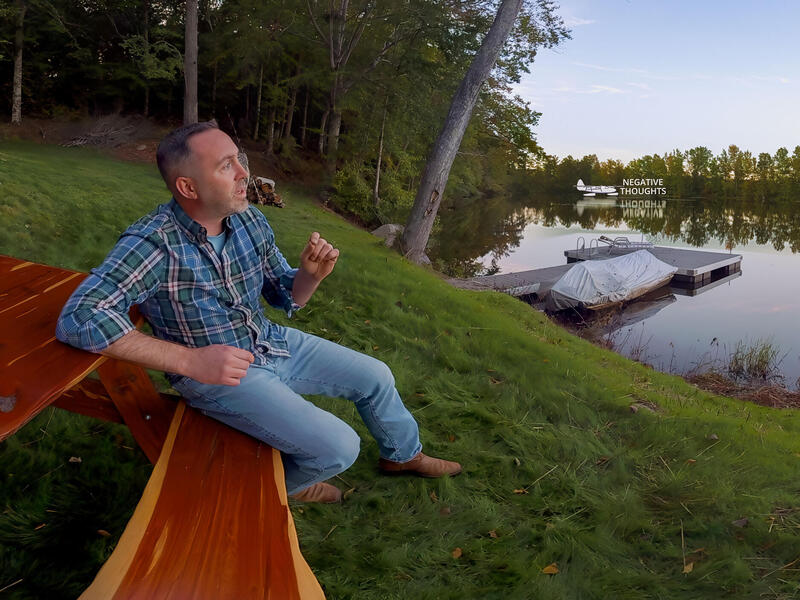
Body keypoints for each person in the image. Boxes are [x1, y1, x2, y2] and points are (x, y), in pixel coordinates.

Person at [56, 121, 461, 504]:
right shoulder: (154, 243)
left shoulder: (248, 219)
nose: (243, 173)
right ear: (188, 186)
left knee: (376, 376)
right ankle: (278, 490)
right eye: (226, 165)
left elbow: (281, 292)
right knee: (339, 448)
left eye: (239, 159)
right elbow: (79, 317)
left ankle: (403, 454)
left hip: (269, 340)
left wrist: (308, 276)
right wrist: (191, 360)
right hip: (218, 374)